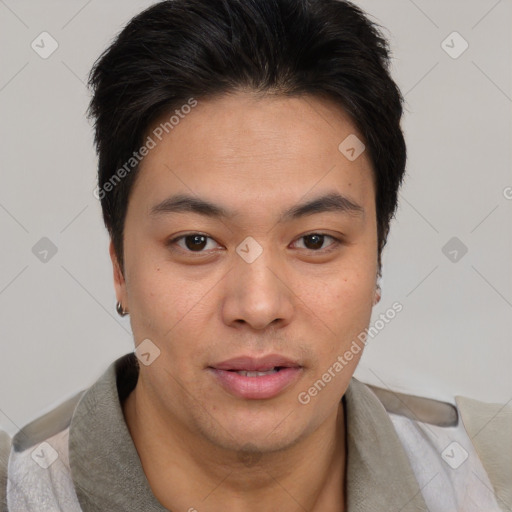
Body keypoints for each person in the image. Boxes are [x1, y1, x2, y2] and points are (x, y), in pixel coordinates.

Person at [3, 0, 511, 510]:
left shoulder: (486, 476)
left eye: (314, 241)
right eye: (196, 242)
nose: (259, 305)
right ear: (120, 268)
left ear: (376, 259)